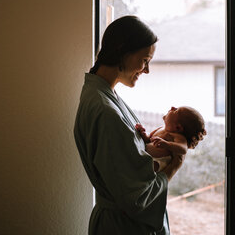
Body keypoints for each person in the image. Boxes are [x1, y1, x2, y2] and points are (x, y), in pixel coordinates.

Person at [74, 16, 204, 235]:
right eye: (145, 60)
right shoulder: (106, 111)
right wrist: (173, 166)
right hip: (124, 227)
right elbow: (138, 199)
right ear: (122, 51)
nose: (147, 70)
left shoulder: (103, 95)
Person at [136, 106, 207, 172]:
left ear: (178, 128)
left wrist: (167, 144)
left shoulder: (178, 137)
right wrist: (142, 133)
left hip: (158, 161)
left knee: (148, 168)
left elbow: (183, 149)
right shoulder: (161, 128)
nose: (172, 107)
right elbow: (148, 139)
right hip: (144, 154)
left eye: (176, 110)